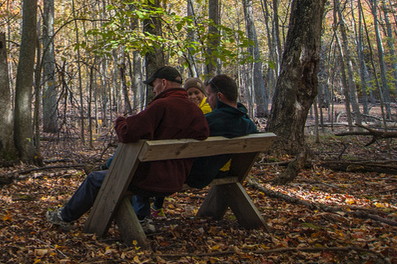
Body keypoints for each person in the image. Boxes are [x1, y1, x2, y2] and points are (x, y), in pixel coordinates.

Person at [47, 66, 208, 233]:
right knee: (142, 167)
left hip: (153, 179)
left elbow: (128, 132)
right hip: (178, 177)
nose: (154, 91)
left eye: (154, 86)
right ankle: (143, 218)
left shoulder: (161, 106)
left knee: (95, 178)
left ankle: (64, 217)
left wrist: (120, 121)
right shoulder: (195, 111)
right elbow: (203, 134)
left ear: (164, 82)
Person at [145, 77, 212, 220]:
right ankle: (156, 207)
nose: (193, 97)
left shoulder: (205, 112)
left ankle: (148, 212)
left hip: (194, 167)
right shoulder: (196, 112)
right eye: (189, 94)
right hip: (205, 164)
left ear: (203, 94)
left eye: (196, 93)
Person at [185, 74, 258, 188]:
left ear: (219, 96)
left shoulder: (208, 122)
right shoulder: (247, 123)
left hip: (198, 176)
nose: (207, 100)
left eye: (209, 95)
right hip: (229, 171)